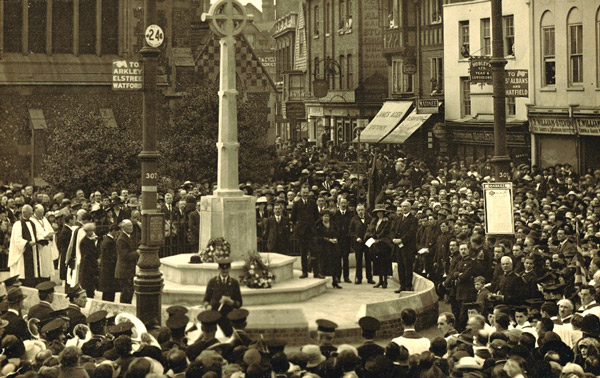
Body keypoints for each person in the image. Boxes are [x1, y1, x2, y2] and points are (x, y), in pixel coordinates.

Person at [202, 257, 242, 337]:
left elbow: (239, 303)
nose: (224, 272)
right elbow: (206, 300)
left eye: (226, 270)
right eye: (222, 270)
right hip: (214, 318)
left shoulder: (234, 283)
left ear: (230, 269)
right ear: (218, 269)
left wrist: (231, 302)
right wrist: (207, 306)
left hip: (228, 318)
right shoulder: (212, 282)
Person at [8, 204, 45, 287]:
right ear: (23, 212)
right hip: (24, 253)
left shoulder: (32, 223)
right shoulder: (18, 224)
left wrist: (41, 239)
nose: (31, 215)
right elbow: (17, 240)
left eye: (31, 213)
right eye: (29, 213)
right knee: (25, 275)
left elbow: (36, 235)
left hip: (32, 251)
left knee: (33, 274)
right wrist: (27, 243)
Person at [291, 185, 319, 278]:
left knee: (314, 252)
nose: (305, 194)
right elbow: (293, 218)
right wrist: (300, 226)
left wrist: (311, 224)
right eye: (304, 193)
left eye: (307, 193)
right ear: (300, 193)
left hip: (311, 231)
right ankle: (305, 272)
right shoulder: (297, 203)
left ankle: (316, 272)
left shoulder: (313, 203)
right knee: (303, 253)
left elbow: (316, 216)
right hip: (302, 232)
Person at [391, 200, 418, 293]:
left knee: (408, 267)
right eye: (403, 207)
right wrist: (394, 238)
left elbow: (411, 232)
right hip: (399, 246)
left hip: (408, 247)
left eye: (406, 206)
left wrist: (401, 240)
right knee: (400, 267)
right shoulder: (398, 219)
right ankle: (402, 286)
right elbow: (394, 230)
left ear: (410, 207)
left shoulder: (413, 219)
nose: (404, 208)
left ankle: (408, 286)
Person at [364, 204, 392, 289]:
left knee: (384, 262)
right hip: (376, 244)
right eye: (378, 212)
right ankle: (380, 280)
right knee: (377, 262)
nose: (379, 214)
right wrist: (372, 237)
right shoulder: (374, 221)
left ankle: (385, 281)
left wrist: (379, 238)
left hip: (384, 244)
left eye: (381, 212)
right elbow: (369, 231)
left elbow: (386, 232)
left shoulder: (387, 221)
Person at [314, 210, 342, 288]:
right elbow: (317, 237)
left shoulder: (333, 224)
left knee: (334, 264)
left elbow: (337, 233)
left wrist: (335, 238)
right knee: (323, 265)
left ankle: (335, 281)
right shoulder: (318, 225)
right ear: (322, 217)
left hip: (332, 247)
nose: (326, 218)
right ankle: (322, 283)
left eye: (328, 216)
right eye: (325, 216)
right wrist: (328, 239)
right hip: (323, 247)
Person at [115, 220, 138, 304]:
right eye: (129, 226)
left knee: (129, 292)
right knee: (126, 292)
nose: (131, 228)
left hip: (128, 270)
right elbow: (125, 255)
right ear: (124, 228)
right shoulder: (121, 239)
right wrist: (137, 253)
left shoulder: (128, 237)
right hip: (124, 270)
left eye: (131, 226)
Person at [350, 203, 373, 284]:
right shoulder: (354, 219)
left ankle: (369, 278)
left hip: (367, 242)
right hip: (358, 243)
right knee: (358, 260)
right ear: (356, 211)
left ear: (364, 210)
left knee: (368, 260)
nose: (360, 211)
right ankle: (358, 278)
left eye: (362, 210)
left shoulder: (369, 218)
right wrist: (356, 238)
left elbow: (372, 229)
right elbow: (351, 232)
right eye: (359, 210)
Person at [332, 197, 353, 283]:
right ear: (339, 204)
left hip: (346, 240)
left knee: (346, 259)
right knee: (337, 259)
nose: (343, 205)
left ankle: (346, 277)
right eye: (342, 203)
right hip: (338, 240)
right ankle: (337, 276)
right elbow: (333, 227)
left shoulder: (350, 214)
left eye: (345, 203)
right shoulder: (335, 215)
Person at [98, 223, 120, 302]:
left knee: (106, 293)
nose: (118, 234)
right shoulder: (110, 242)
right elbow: (112, 257)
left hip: (106, 271)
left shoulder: (106, 240)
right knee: (109, 294)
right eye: (117, 232)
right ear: (113, 231)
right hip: (109, 271)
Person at [78, 223, 99, 298]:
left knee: (91, 287)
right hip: (87, 266)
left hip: (91, 266)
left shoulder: (91, 240)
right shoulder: (84, 241)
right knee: (87, 287)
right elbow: (88, 254)